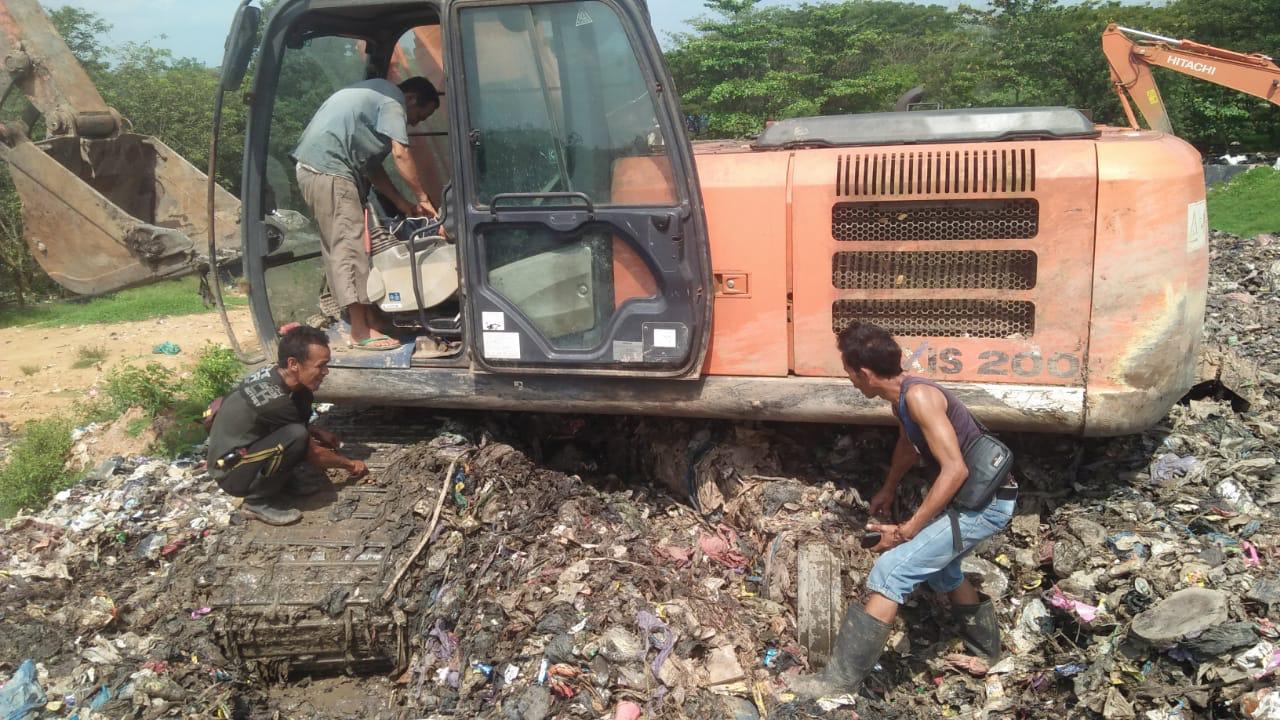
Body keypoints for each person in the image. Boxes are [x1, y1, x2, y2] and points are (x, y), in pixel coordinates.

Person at [790, 321, 1017, 698]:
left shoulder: (920, 397)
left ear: (864, 373)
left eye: (849, 372)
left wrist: (908, 530)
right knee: (944, 572)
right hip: (972, 500)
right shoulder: (901, 398)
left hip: (986, 505)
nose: (849, 380)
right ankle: (987, 652)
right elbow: (909, 444)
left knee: (890, 571)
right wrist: (888, 487)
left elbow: (956, 470)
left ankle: (837, 682)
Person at [293, 76, 441, 351]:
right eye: (420, 115)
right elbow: (400, 153)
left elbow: (372, 168)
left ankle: (368, 318)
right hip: (331, 172)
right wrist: (423, 198)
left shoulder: (375, 98)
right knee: (350, 248)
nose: (415, 123)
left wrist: (402, 203)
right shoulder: (393, 101)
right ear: (411, 99)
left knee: (341, 247)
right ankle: (360, 331)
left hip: (319, 171)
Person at [206, 326, 368, 525]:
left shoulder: (281, 378)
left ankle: (282, 482)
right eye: (320, 366)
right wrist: (350, 465)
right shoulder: (275, 401)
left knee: (300, 421)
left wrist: (316, 430)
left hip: (247, 449)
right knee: (296, 437)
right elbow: (313, 453)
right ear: (293, 364)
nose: (326, 372)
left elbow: (283, 420)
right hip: (230, 472)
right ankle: (256, 501)